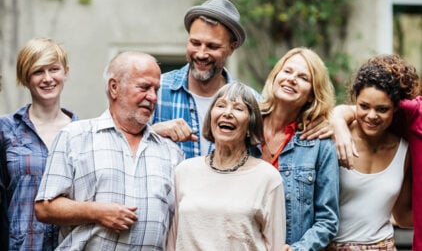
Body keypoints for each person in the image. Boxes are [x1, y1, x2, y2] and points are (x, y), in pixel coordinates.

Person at [34, 52, 184, 250]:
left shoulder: (171, 153)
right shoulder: (75, 137)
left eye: (156, 89)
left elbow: (177, 226)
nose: (153, 97)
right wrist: (96, 212)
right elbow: (44, 208)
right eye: (144, 87)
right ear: (114, 88)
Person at [167, 82, 286, 250]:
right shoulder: (184, 171)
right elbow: (172, 242)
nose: (227, 113)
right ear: (211, 118)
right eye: (221, 105)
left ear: (249, 126)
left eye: (238, 108)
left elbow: (276, 245)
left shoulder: (268, 178)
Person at [250, 47, 340, 251]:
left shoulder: (320, 144)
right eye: (287, 71)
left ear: (311, 95)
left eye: (303, 77)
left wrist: (299, 249)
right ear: (275, 76)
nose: (291, 79)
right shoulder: (246, 126)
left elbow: (327, 220)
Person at [151, 0, 261, 159]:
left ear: (231, 48)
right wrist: (154, 132)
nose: (201, 54)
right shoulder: (155, 90)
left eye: (212, 46)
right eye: (195, 43)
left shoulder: (253, 102)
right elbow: (117, 141)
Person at [330, 54, 419, 249]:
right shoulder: (335, 139)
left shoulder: (404, 151)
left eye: (382, 109)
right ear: (355, 101)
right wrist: (336, 121)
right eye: (364, 106)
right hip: (331, 246)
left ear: (396, 108)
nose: (371, 116)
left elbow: (403, 217)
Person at [0, 37, 78, 251]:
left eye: (54, 69)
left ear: (66, 72)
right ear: (25, 78)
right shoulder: (6, 130)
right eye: (37, 71)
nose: (47, 79)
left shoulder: (82, 132)